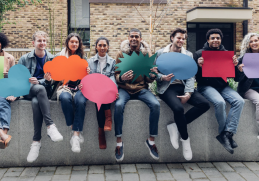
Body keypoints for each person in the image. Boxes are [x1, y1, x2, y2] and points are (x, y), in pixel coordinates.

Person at [154, 28, 210, 160]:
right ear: (172, 38)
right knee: (178, 108)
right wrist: (162, 77)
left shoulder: (188, 55)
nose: (181, 40)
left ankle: (175, 126)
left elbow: (191, 76)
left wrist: (188, 93)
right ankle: (185, 140)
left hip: (183, 86)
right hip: (167, 88)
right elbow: (153, 73)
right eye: (179, 38)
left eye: (183, 38)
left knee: (205, 104)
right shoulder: (160, 53)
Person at [193, 28, 244, 154]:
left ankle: (227, 134)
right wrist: (198, 67)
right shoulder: (199, 54)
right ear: (208, 40)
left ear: (221, 40)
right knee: (220, 103)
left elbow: (236, 78)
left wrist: (237, 68)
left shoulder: (227, 54)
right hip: (205, 86)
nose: (215, 40)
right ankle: (222, 133)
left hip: (223, 86)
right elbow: (193, 76)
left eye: (218, 38)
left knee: (240, 101)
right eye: (213, 38)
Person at [114, 28, 160, 162]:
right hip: (124, 88)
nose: (134, 39)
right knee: (118, 105)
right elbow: (116, 75)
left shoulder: (147, 54)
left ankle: (151, 140)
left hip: (141, 88)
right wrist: (122, 78)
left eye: (136, 36)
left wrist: (152, 76)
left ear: (140, 39)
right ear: (128, 39)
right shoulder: (120, 54)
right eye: (131, 36)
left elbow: (150, 78)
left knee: (156, 104)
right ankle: (119, 142)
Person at [18, 31, 63, 163]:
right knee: (39, 88)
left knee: (36, 101)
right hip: (27, 90)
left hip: (43, 92)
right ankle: (50, 125)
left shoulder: (52, 58)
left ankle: (36, 142)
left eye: (44, 40)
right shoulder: (24, 58)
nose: (42, 43)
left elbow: (55, 80)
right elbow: (18, 79)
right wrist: (28, 80)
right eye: (39, 41)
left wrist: (47, 80)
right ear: (33, 43)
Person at [235, 33, 259, 149]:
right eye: (251, 41)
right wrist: (240, 71)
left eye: (256, 40)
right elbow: (236, 79)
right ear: (248, 44)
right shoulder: (242, 58)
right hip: (248, 89)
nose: (254, 43)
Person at [55, 33, 89, 153]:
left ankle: (75, 136)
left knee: (80, 101)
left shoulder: (83, 58)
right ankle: (74, 128)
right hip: (65, 87)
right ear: (67, 43)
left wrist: (86, 75)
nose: (74, 44)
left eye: (76, 42)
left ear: (79, 44)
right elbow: (55, 76)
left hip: (79, 89)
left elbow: (86, 77)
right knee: (64, 98)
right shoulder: (59, 56)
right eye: (72, 42)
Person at [87, 36, 118, 149]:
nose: (102, 47)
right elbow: (89, 78)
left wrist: (113, 89)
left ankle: (102, 129)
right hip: (95, 89)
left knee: (104, 94)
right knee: (98, 97)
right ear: (96, 47)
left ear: (108, 47)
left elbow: (113, 77)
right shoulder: (89, 61)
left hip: (106, 90)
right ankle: (105, 124)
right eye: (100, 45)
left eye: (104, 45)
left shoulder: (112, 62)